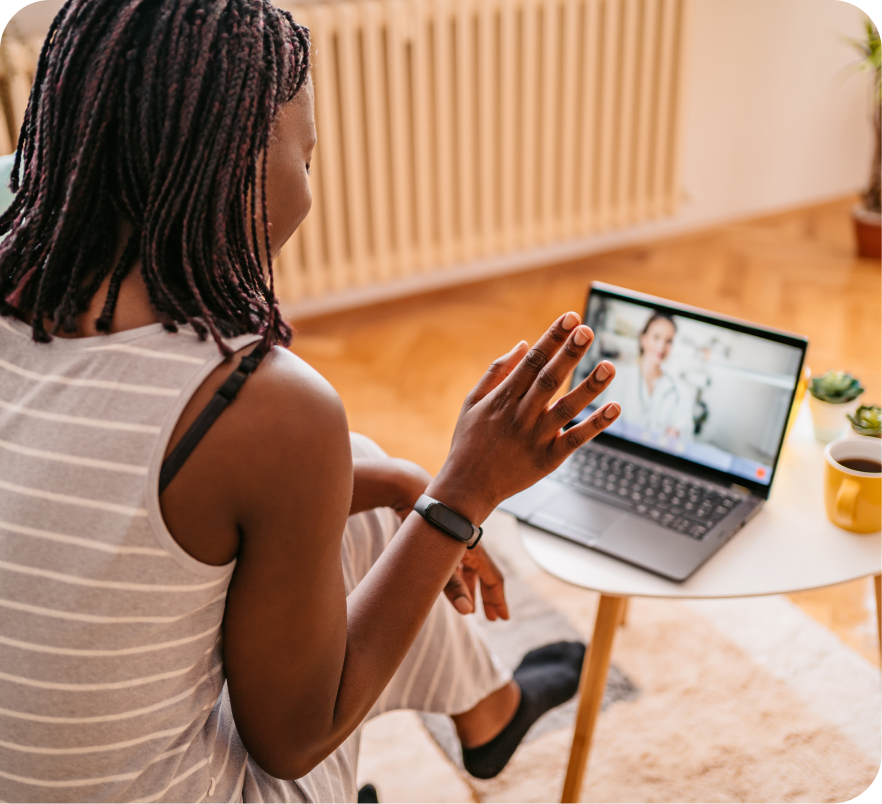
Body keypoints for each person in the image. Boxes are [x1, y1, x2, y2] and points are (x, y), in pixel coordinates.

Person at [0, 1, 620, 802]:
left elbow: (119, 500)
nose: (309, 185)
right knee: (352, 495)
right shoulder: (255, 404)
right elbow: (293, 739)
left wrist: (406, 484)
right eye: (307, 157)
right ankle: (487, 713)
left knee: (360, 475)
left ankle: (490, 711)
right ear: (233, 168)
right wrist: (463, 493)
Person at [613, 311, 693, 439]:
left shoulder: (680, 392)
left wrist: (677, 435)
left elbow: (686, 438)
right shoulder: (619, 378)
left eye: (669, 341)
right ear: (643, 338)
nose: (661, 346)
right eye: (656, 337)